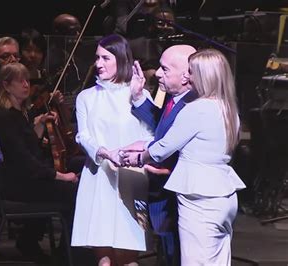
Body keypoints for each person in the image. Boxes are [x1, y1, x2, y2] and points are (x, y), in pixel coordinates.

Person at [121, 48, 246, 265]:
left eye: (192, 72)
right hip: (223, 196)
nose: (187, 77)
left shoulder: (196, 108)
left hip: (200, 197)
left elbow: (163, 148)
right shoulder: (228, 108)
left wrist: (138, 158)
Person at [71, 33, 153, 265]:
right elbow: (83, 135)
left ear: (121, 58)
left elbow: (150, 136)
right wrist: (104, 152)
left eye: (106, 58)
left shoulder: (138, 95)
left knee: (129, 252)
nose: (99, 64)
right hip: (98, 178)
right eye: (97, 58)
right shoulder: (86, 97)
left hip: (132, 177)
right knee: (103, 256)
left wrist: (130, 154)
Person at [0, 62, 78, 262]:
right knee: (73, 193)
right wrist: (61, 176)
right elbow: (23, 160)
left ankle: (30, 239)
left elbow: (28, 148)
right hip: (14, 185)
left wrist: (37, 127)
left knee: (71, 178)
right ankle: (66, 255)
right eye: (20, 81)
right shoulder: (3, 117)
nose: (26, 85)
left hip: (22, 179)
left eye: (27, 80)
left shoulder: (17, 114)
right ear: (6, 85)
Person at [124, 44, 197, 266]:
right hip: (163, 195)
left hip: (176, 197)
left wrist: (149, 158)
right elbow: (164, 130)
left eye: (164, 69)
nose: (157, 73)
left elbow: (175, 145)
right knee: (166, 254)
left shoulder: (193, 105)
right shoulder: (175, 99)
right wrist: (138, 97)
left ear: (185, 76)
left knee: (176, 255)